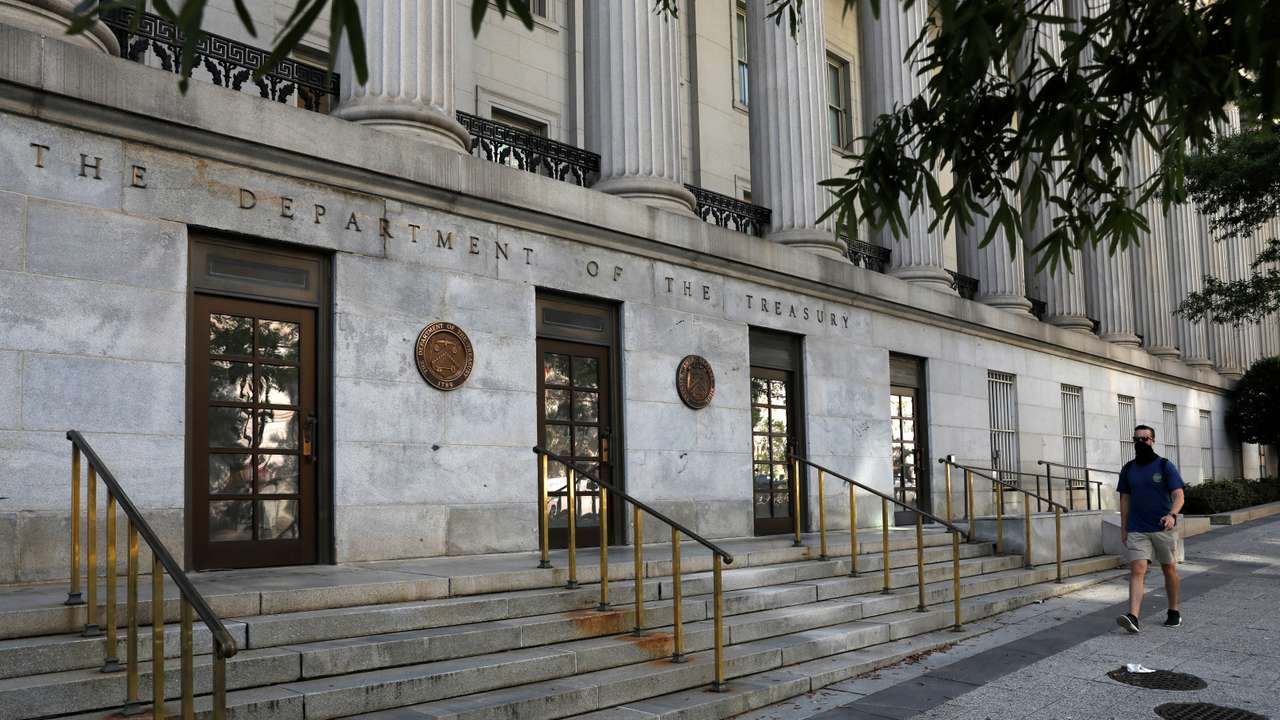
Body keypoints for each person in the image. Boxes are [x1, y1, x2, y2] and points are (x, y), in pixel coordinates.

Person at [1116, 424, 1185, 633]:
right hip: (1137, 528)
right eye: (1137, 439)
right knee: (1137, 569)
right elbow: (1125, 500)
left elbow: (1179, 495)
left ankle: (1173, 611)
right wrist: (1124, 527)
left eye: (1145, 439)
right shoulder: (1128, 469)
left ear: (1152, 441)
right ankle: (1133, 617)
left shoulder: (1164, 466)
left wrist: (1172, 514)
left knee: (1168, 569)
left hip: (1162, 527)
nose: (1141, 443)